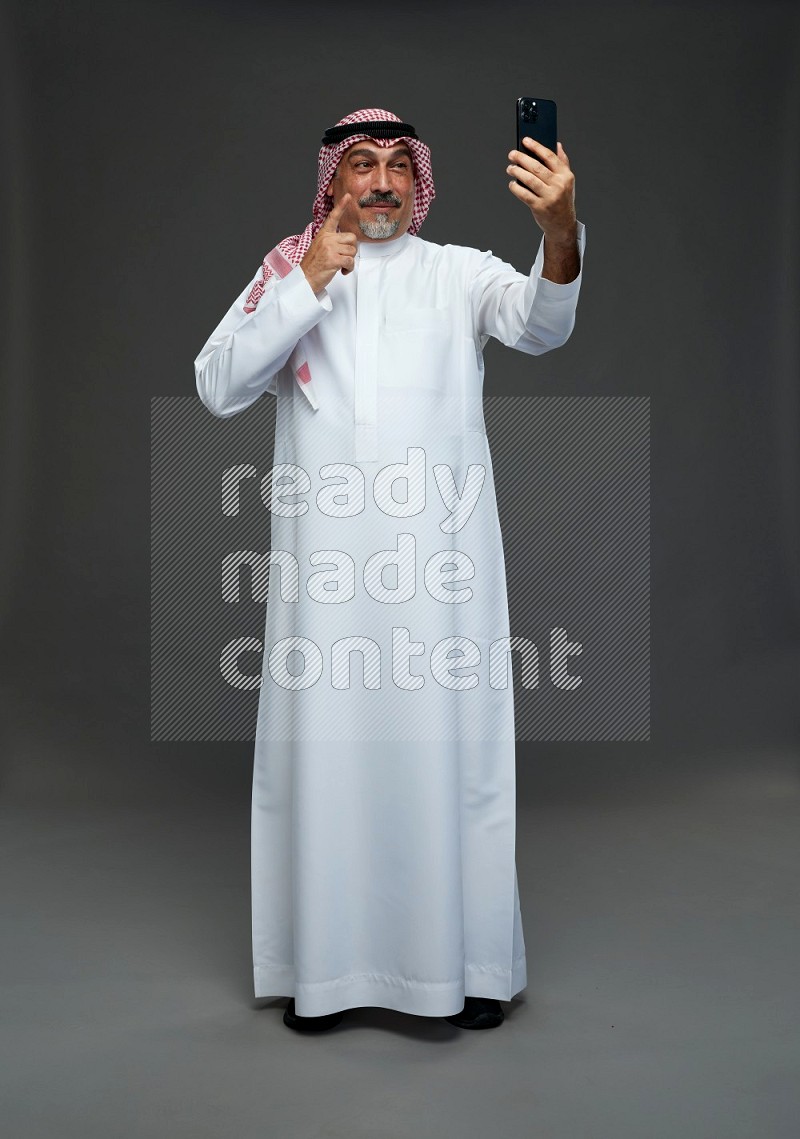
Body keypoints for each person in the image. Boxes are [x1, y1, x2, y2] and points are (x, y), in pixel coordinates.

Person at [194, 107, 586, 1033]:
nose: (378, 182)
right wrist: (305, 284)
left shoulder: (455, 273)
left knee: (454, 758)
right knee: (326, 761)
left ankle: (473, 965)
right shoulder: (289, 270)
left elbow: (541, 325)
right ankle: (325, 973)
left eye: (395, 166)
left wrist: (560, 230)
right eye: (359, 165)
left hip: (439, 581)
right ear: (331, 183)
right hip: (324, 589)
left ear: (418, 182)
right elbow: (218, 385)